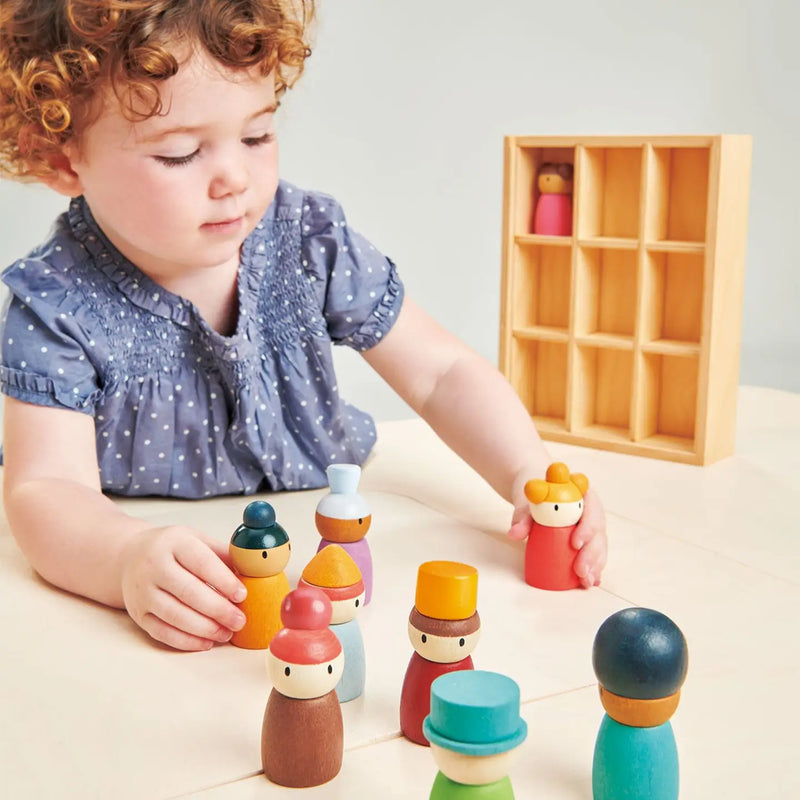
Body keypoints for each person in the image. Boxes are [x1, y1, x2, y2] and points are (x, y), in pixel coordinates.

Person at [0, 0, 607, 652]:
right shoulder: (53, 303)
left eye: (257, 135)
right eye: (179, 154)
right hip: (152, 530)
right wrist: (124, 559)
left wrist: (528, 470)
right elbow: (46, 489)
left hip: (325, 526)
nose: (235, 176)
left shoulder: (308, 241)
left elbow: (439, 374)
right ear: (62, 162)